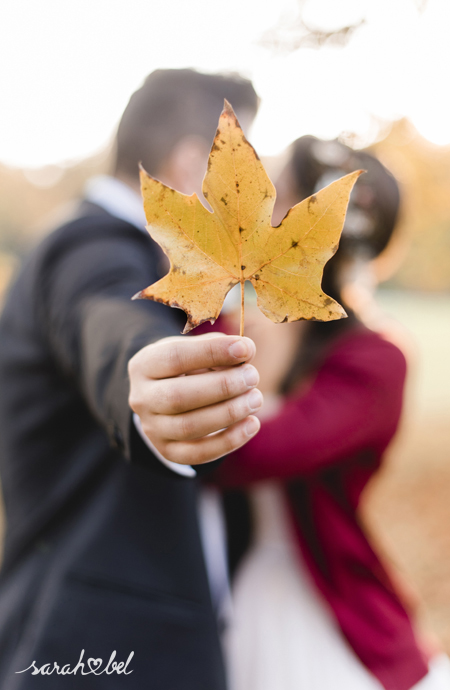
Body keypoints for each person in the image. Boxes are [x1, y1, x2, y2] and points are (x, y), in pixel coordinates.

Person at [0, 69, 263, 689]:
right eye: (244, 170)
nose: (255, 199)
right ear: (194, 162)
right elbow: (106, 320)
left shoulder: (142, 257)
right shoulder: (91, 248)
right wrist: (147, 382)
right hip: (91, 651)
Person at [211, 138, 450, 690]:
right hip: (232, 587)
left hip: (318, 599)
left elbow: (248, 454)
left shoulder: (373, 363)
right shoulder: (236, 324)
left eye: (275, 196)